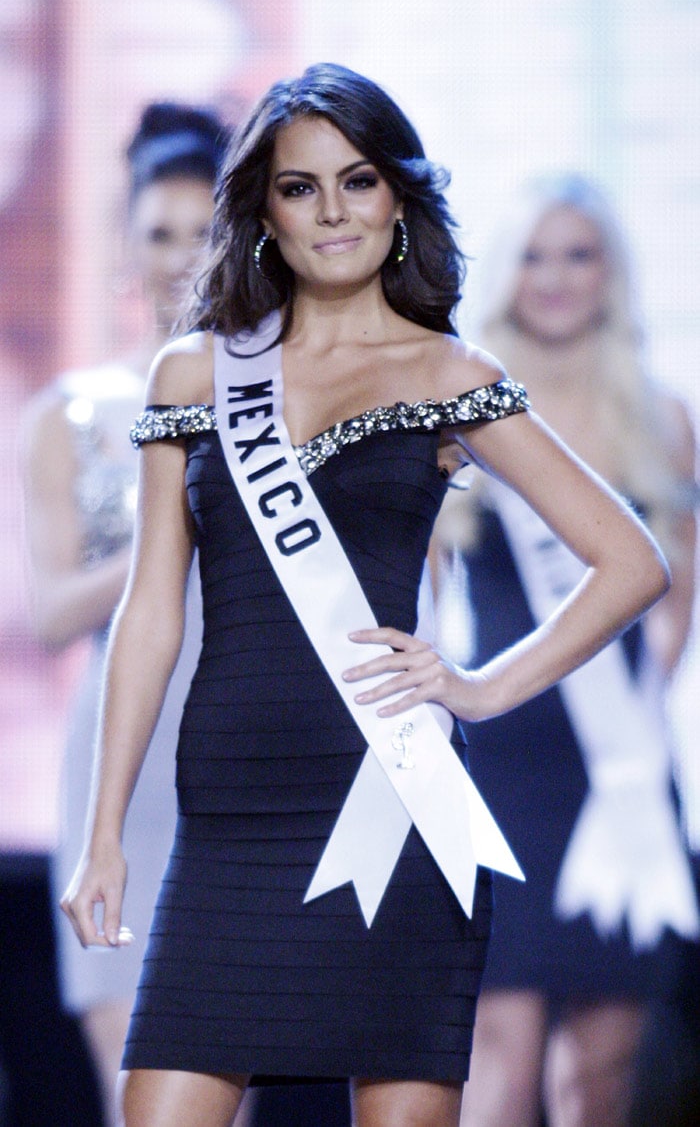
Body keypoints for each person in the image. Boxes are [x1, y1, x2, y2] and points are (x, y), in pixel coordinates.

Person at [60, 66, 669, 1127]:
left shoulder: (446, 372)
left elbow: (630, 559)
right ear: (264, 208)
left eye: (358, 181)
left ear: (398, 199)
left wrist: (476, 687)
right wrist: (104, 827)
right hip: (226, 826)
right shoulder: (194, 374)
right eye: (300, 188)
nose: (332, 212)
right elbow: (150, 614)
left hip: (387, 803)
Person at [430, 173, 698, 1127]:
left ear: (610, 272)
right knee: (497, 1061)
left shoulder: (661, 419)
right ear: (507, 271)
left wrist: (641, 720)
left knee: (602, 1071)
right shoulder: (463, 408)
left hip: (617, 766)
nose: (554, 276)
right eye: (534, 254)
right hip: (497, 753)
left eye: (577, 253)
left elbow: (678, 589)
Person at [22, 100, 227, 1124]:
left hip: (248, 756)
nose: (182, 257)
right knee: (134, 1099)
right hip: (122, 762)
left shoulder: (286, 402)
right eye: (160, 233)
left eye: (205, 233)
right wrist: (166, 515)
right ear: (125, 243)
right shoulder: (69, 415)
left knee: (227, 1088)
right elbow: (49, 611)